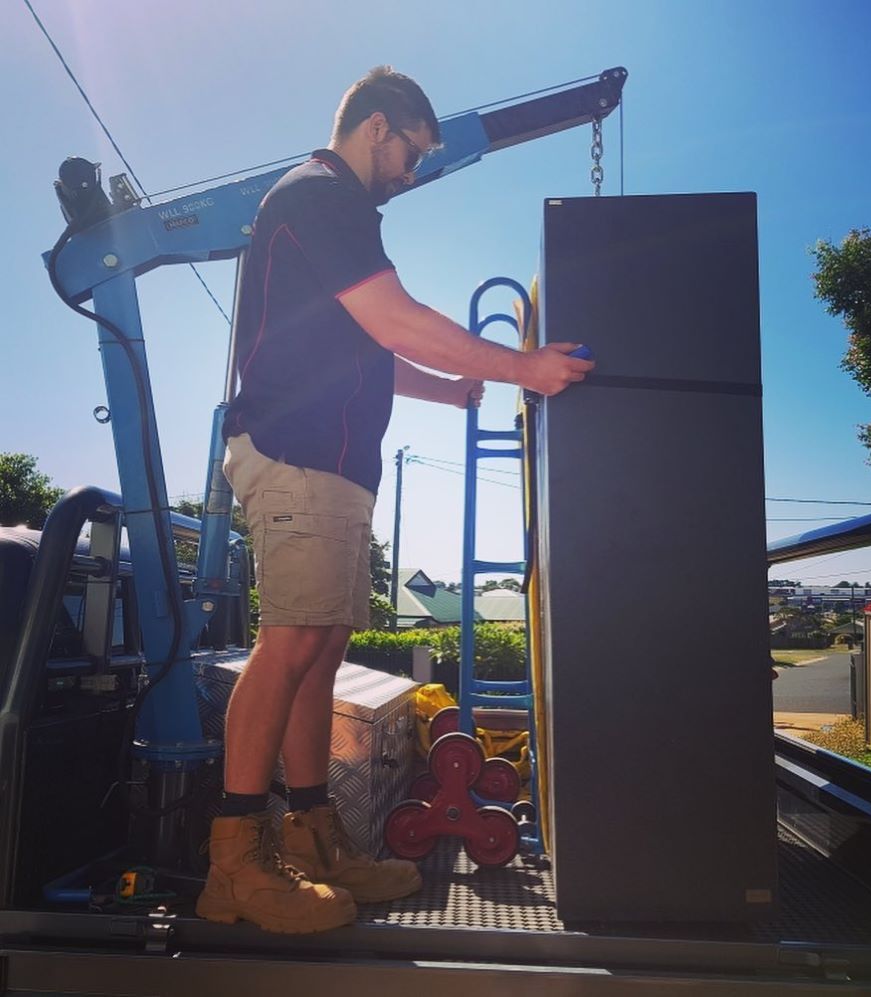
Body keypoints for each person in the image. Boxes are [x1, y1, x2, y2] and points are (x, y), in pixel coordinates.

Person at [195, 66, 594, 934]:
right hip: (294, 452)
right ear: (377, 129)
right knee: (290, 640)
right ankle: (234, 862)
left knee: (323, 645)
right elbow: (394, 315)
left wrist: (451, 389)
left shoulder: (338, 215)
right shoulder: (317, 195)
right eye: (412, 153)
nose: (412, 173)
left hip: (336, 464)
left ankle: (312, 838)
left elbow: (371, 350)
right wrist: (522, 367)